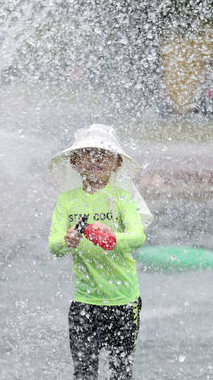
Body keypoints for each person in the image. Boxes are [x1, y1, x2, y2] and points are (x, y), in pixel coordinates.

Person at [48, 124, 152, 380]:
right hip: (85, 302)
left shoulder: (122, 198)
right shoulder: (67, 200)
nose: (96, 159)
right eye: (87, 153)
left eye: (104, 154)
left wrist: (113, 238)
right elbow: (54, 244)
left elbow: (138, 236)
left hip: (123, 301)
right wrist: (67, 240)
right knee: (84, 372)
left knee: (120, 372)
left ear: (117, 163)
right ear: (74, 162)